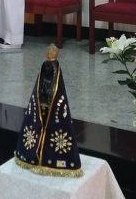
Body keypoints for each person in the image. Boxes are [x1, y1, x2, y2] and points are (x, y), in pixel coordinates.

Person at [13, 44, 83, 176]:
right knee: (37, 121)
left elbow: (54, 82)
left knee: (54, 124)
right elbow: (43, 80)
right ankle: (32, 154)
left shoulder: (55, 69)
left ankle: (53, 159)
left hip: (51, 99)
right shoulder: (45, 66)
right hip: (42, 98)